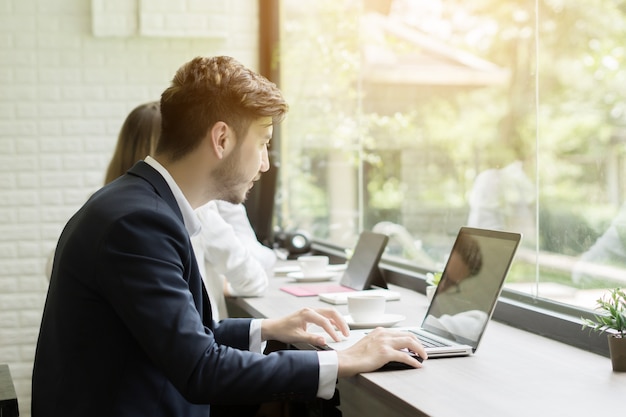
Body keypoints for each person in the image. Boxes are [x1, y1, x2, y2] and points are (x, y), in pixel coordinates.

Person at [31, 55, 426, 417]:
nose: (266, 164)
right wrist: (345, 359)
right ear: (221, 140)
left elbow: (183, 334)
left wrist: (267, 328)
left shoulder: (140, 204)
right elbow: (201, 367)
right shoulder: (139, 223)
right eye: (263, 144)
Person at [102, 101, 275, 320]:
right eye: (261, 143)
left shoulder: (106, 206)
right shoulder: (192, 212)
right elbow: (253, 276)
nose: (264, 165)